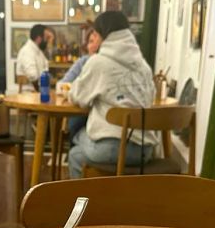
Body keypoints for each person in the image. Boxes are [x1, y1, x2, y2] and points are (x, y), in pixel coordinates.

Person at [67, 11, 156, 179]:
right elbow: (150, 98)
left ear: (103, 34)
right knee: (79, 152)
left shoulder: (98, 62)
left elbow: (78, 97)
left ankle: (85, 204)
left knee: (76, 141)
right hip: (146, 148)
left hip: (112, 148)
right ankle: (114, 199)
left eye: (95, 33)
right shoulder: (143, 66)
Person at [60, 28, 102, 140]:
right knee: (75, 122)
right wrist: (72, 88)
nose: (93, 46)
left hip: (102, 113)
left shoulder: (108, 63)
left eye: (97, 42)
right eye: (90, 42)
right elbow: (63, 84)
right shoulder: (83, 62)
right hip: (82, 110)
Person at [15, 24, 53, 91]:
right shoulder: (27, 51)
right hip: (28, 96)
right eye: (46, 38)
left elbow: (46, 67)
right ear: (39, 39)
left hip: (37, 93)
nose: (47, 41)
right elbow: (33, 76)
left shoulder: (38, 51)